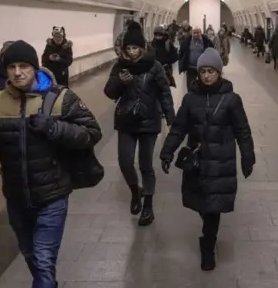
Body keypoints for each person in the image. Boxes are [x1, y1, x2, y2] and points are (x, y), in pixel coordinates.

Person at [0, 40, 102, 288]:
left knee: (44, 260)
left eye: (23, 66)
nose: (17, 72)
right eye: (11, 67)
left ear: (35, 68)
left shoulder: (61, 99)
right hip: (16, 197)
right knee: (32, 258)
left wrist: (55, 129)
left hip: (53, 194)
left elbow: (92, 133)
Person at [160, 47, 255, 271]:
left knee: (213, 208)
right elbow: (179, 128)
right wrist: (167, 151)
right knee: (203, 204)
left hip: (221, 161)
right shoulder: (190, 99)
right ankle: (208, 233)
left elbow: (243, 131)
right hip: (198, 163)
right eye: (203, 71)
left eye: (211, 71)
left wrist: (247, 156)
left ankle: (208, 246)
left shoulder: (232, 100)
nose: (206, 75)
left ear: (219, 72)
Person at [103, 22, 174, 226]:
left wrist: (172, 120)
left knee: (145, 165)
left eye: (135, 48)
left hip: (149, 120)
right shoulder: (119, 66)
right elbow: (109, 92)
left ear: (142, 48)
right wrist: (120, 82)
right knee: (125, 162)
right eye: (129, 49)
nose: (132, 53)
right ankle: (135, 190)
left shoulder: (154, 66)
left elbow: (164, 93)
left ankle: (148, 207)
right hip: (126, 120)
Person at [178, 26, 213, 91]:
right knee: (190, 85)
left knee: (203, 85)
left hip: (202, 67)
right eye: (194, 33)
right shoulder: (187, 41)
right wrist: (182, 63)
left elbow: (211, 49)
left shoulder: (205, 41)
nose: (196, 34)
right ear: (191, 33)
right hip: (190, 68)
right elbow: (182, 52)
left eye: (197, 32)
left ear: (201, 33)